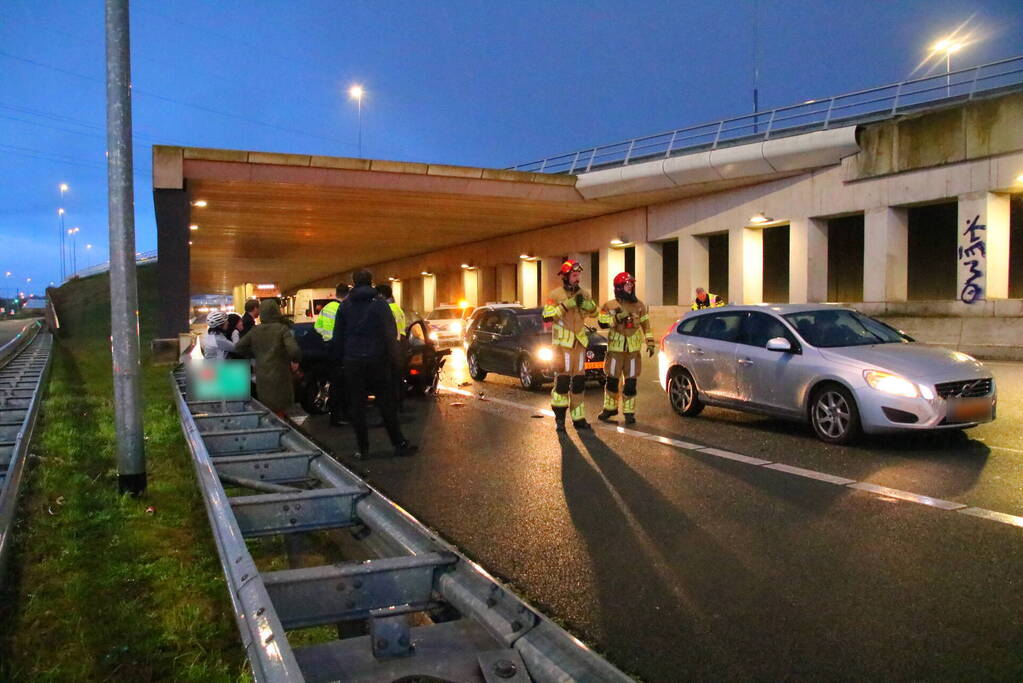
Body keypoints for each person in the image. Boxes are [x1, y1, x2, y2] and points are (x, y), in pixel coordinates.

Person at [333, 269, 416, 459]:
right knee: (386, 403)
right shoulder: (379, 305)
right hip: (378, 360)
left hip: (353, 361)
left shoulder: (344, 307)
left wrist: (339, 363)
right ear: (371, 282)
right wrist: (396, 362)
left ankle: (363, 449)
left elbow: (338, 338)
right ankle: (399, 443)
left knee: (357, 405)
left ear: (353, 283)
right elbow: (390, 335)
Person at [542, 259, 597, 432]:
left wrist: (588, 305)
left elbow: (595, 312)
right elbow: (547, 315)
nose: (577, 278)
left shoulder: (585, 293)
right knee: (563, 383)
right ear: (566, 276)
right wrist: (566, 305)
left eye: (579, 274)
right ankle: (560, 420)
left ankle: (579, 418)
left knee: (579, 382)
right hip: (562, 346)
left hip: (579, 345)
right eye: (574, 275)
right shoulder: (555, 295)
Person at [597, 272, 655, 425]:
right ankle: (610, 408)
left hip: (633, 351)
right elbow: (602, 322)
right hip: (615, 351)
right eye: (627, 284)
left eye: (631, 284)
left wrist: (650, 342)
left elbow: (646, 325)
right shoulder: (609, 305)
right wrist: (617, 317)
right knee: (611, 381)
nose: (630, 287)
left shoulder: (639, 305)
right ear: (619, 287)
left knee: (630, 383)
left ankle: (629, 412)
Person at [233, 298, 301, 418]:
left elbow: (239, 347)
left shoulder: (255, 330)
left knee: (267, 407)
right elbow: (294, 350)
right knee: (281, 406)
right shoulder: (282, 329)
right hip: (281, 373)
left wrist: (256, 353)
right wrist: (295, 361)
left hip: (262, 374)